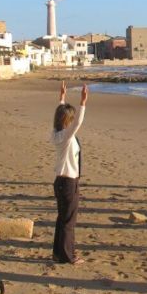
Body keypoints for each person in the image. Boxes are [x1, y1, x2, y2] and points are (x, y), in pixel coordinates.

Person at [52, 81, 88, 265]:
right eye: (70, 118)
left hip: (60, 181)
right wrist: (83, 102)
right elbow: (78, 122)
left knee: (62, 219)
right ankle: (67, 255)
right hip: (68, 183)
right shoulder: (66, 136)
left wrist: (62, 97)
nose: (73, 121)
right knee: (68, 222)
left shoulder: (56, 132)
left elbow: (60, 114)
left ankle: (58, 253)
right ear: (67, 121)